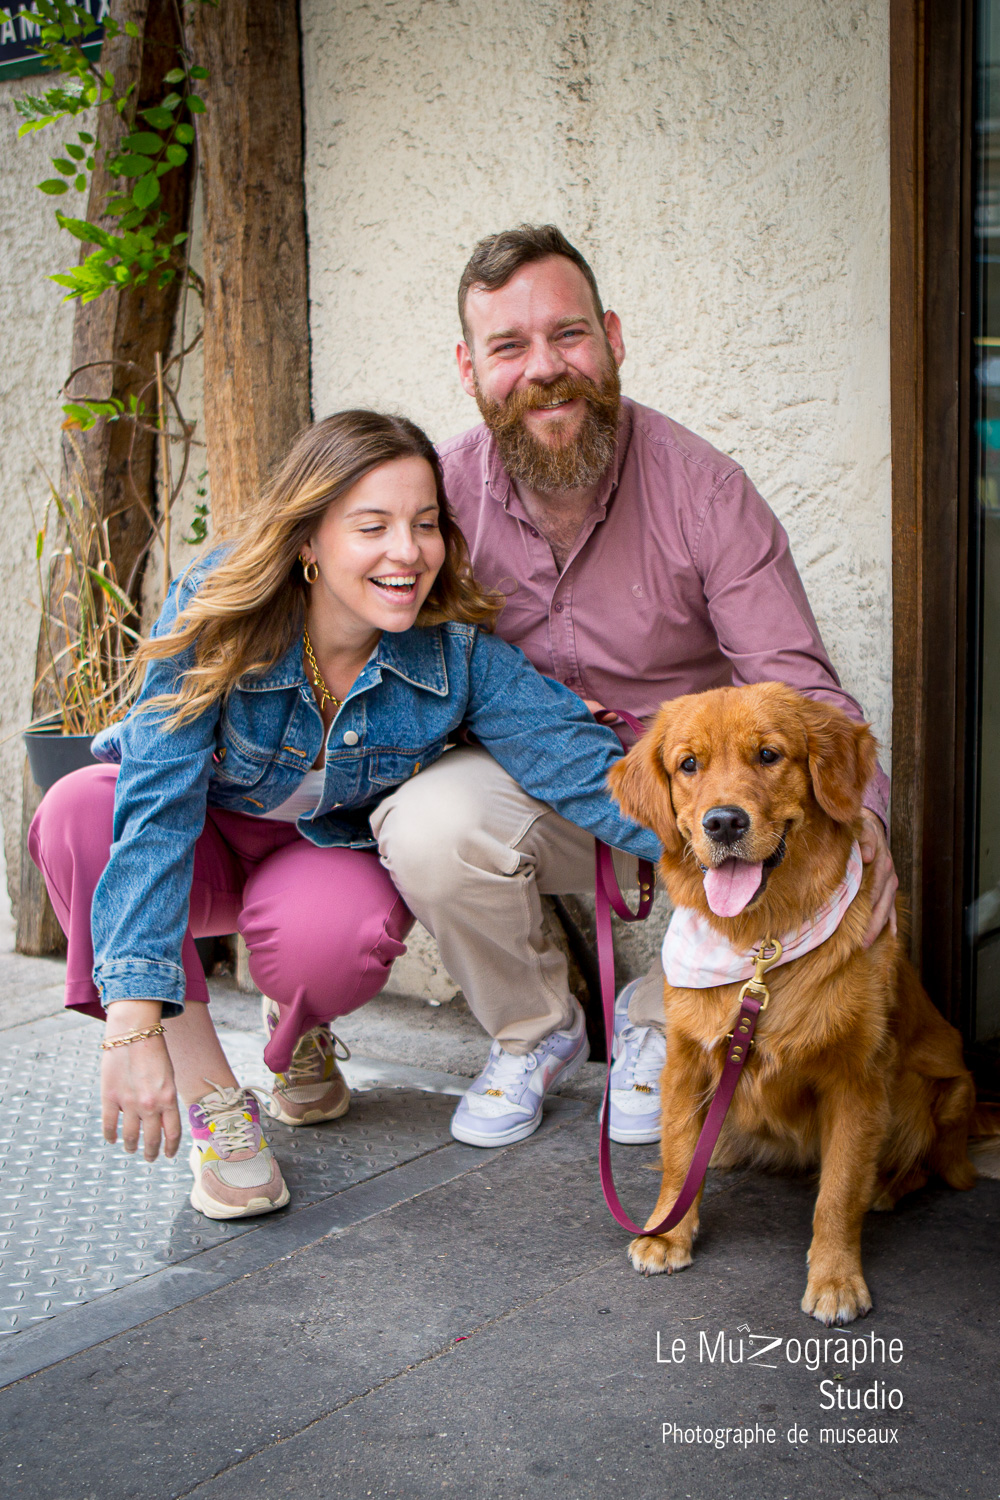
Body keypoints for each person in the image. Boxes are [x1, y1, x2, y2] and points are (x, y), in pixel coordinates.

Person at [28, 410, 660, 1220]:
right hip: (203, 840)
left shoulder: (452, 655)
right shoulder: (217, 611)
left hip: (317, 855)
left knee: (335, 937)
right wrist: (131, 1025)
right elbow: (154, 813)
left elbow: (581, 770)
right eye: (374, 526)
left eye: (425, 524)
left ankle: (298, 1022)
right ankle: (215, 1097)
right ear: (308, 541)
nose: (408, 551)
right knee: (81, 808)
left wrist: (728, 845)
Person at [371, 224, 899, 1149]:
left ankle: (668, 1014)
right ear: (468, 368)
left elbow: (802, 693)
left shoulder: (706, 492)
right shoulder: (441, 500)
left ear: (612, 336)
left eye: (569, 335)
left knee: (800, 818)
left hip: (705, 800)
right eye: (509, 347)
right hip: (551, 788)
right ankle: (534, 1031)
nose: (546, 369)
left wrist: (872, 827)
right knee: (428, 821)